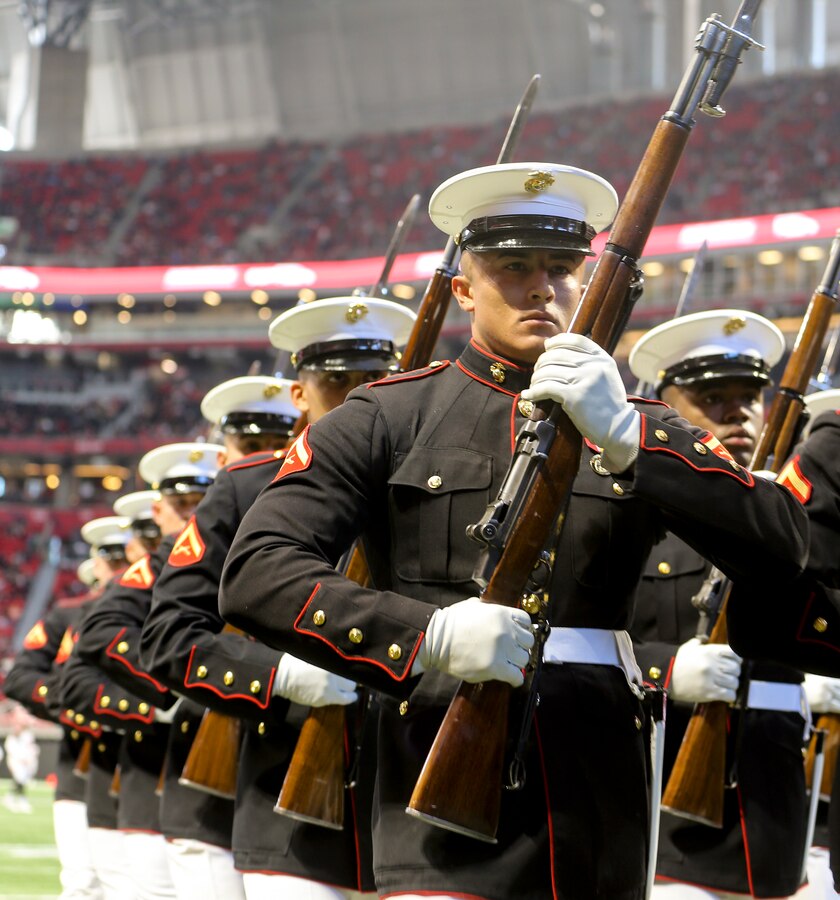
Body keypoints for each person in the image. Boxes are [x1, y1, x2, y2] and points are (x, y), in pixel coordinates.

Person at [218, 161, 809, 900]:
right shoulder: (389, 416)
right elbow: (259, 572)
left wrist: (628, 439)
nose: (542, 287)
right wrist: (423, 636)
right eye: (513, 267)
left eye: (563, 268)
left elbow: (784, 544)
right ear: (464, 288)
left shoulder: (639, 426)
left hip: (600, 806)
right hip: (436, 792)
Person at [142, 302, 413, 900]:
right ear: (300, 392)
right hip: (287, 806)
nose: (358, 397)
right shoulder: (245, 487)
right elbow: (168, 637)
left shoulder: (431, 481)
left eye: (374, 381)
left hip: (417, 808)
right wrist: (278, 676)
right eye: (337, 381)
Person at [628, 309, 810, 898]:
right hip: (670, 818)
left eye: (751, 396)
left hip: (777, 816)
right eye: (713, 396)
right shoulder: (635, 512)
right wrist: (667, 669)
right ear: (667, 407)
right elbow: (579, 634)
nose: (740, 412)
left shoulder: (794, 519)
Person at [4, 552, 106, 898]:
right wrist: (78, 707)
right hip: (81, 762)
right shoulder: (69, 614)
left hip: (148, 770)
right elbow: (20, 678)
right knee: (83, 882)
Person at [3, 711, 40, 813]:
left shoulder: (27, 735)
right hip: (17, 762)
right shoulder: (12, 738)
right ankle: (22, 799)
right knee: (20, 780)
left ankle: (10, 797)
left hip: (26, 763)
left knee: (20, 781)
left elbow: (32, 749)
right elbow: (12, 751)